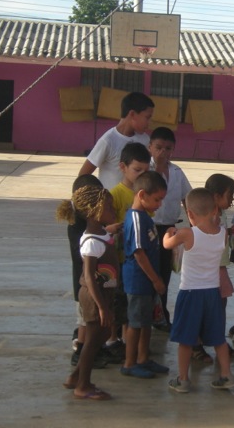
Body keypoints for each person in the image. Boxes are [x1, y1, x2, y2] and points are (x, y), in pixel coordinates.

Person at [163, 188, 234, 392]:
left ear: (190, 214)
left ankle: (183, 379)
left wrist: (168, 233)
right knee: (218, 338)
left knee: (186, 340)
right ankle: (226, 375)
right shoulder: (222, 233)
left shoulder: (187, 234)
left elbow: (168, 245)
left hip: (190, 293)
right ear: (215, 210)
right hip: (213, 292)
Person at [57, 183, 117, 401]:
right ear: (93, 212)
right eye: (109, 208)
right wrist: (101, 306)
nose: (114, 212)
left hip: (104, 293)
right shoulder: (91, 241)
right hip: (94, 296)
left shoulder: (100, 232)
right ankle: (83, 385)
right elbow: (90, 276)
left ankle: (75, 376)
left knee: (101, 334)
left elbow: (107, 235)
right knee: (93, 339)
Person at [121, 171, 169, 379]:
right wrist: (156, 279)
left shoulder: (144, 217)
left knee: (146, 321)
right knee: (136, 322)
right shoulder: (136, 219)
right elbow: (139, 253)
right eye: (157, 199)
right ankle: (130, 362)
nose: (159, 204)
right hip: (139, 280)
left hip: (146, 281)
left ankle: (143, 358)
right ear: (142, 195)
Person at [106, 142, 152, 359]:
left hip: (134, 262)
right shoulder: (115, 194)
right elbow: (103, 225)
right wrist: (114, 229)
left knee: (129, 303)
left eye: (146, 170)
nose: (142, 174)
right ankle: (113, 339)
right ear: (122, 167)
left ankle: (127, 341)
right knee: (116, 300)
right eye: (137, 170)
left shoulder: (144, 196)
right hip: (118, 259)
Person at [192, 173, 234, 362]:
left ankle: (216, 340)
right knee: (207, 307)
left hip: (219, 267)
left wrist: (228, 233)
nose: (232, 201)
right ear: (216, 196)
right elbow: (206, 237)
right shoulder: (205, 216)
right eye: (230, 196)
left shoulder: (219, 215)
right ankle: (196, 343)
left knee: (219, 306)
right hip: (209, 269)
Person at [149, 127, 192, 332]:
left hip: (169, 229)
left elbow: (188, 198)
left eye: (167, 148)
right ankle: (146, 314)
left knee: (165, 272)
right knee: (148, 272)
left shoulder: (176, 172)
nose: (162, 153)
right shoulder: (145, 172)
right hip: (148, 227)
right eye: (158, 148)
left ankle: (161, 314)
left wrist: (195, 223)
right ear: (150, 147)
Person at [78, 92, 154, 189]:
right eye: (147, 117)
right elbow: (83, 175)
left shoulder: (145, 139)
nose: (149, 122)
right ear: (132, 114)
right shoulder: (108, 140)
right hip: (112, 202)